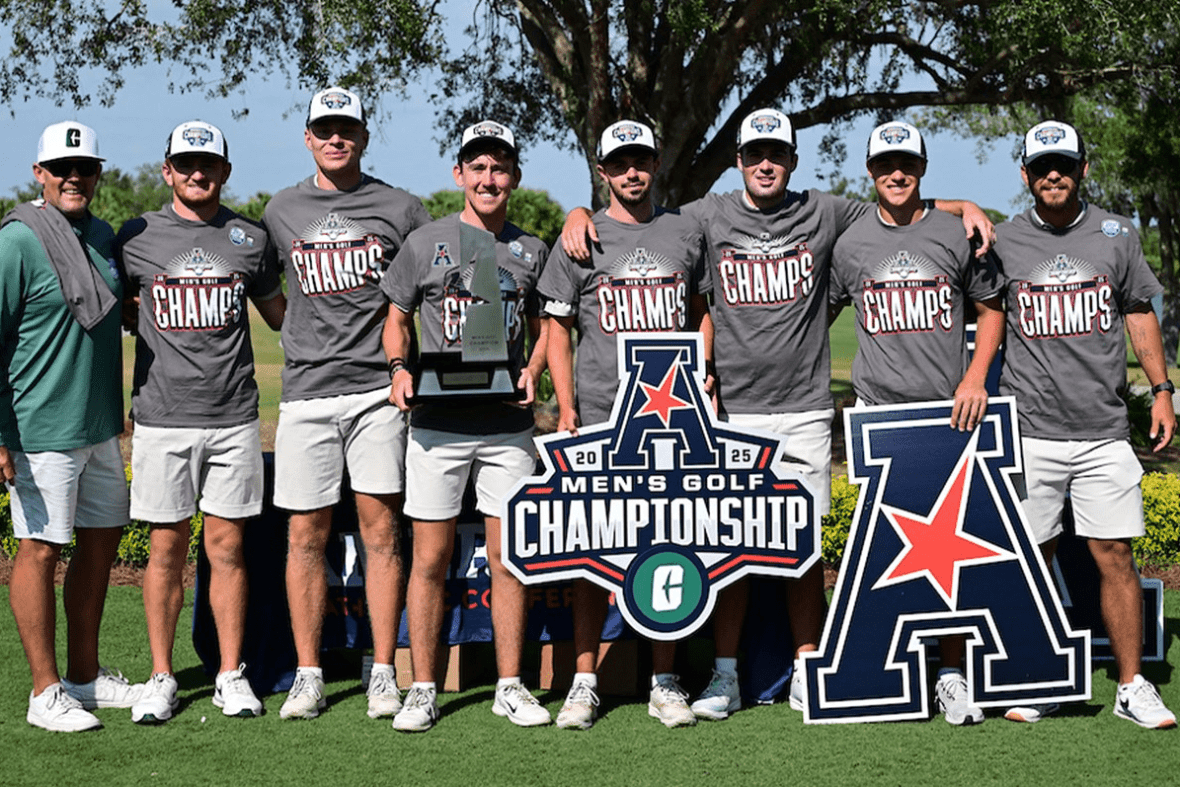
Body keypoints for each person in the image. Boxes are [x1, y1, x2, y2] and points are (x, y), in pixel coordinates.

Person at [561, 109, 994, 719]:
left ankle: (804, 669)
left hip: (807, 408)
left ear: (793, 161)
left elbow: (898, 198)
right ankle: (728, 674)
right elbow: (637, 220)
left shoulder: (826, 210)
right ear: (739, 160)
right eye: (755, 153)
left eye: (778, 154)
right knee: (733, 550)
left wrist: (964, 204)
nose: (766, 163)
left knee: (803, 549)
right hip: (731, 409)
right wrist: (577, 213)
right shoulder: (705, 214)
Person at [994, 120, 1176, 729]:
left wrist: (1162, 390)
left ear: (1082, 170)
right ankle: (1043, 678)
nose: (1053, 174)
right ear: (1025, 175)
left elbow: (1138, 314)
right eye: (1042, 165)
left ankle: (1131, 684)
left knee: (1114, 555)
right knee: (1031, 559)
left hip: (1101, 430)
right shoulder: (1001, 239)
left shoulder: (1116, 235)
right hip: (1029, 431)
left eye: (1064, 165)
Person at [262, 87, 431, 720]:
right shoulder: (280, 210)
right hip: (306, 392)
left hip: (377, 393)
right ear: (308, 137)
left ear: (364, 136)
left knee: (381, 532)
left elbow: (426, 289)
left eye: (347, 129)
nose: (336, 138)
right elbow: (262, 289)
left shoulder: (401, 207)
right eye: (324, 129)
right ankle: (309, 673)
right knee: (306, 536)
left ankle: (383, 669)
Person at [829, 120, 1005, 725]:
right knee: (885, 552)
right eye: (885, 165)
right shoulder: (849, 243)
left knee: (948, 553)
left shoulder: (956, 232)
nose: (896, 173)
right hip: (877, 418)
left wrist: (976, 377)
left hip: (947, 415)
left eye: (906, 163)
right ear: (870, 173)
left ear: (923, 168)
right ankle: (895, 667)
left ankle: (952, 674)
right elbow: (814, 316)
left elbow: (990, 310)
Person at [116, 120, 286, 723]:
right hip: (162, 418)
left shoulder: (249, 237)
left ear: (225, 172)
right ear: (167, 171)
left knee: (227, 547)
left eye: (207, 164)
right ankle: (161, 676)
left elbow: (281, 318)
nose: (196, 173)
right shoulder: (133, 236)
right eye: (185, 164)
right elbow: (114, 309)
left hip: (234, 415)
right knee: (164, 550)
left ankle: (229, 673)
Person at [541, 120, 709, 729]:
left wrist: (704, 366)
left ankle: (665, 680)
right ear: (603, 170)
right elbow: (556, 328)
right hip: (602, 414)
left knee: (670, 547)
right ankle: (584, 682)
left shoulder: (686, 229)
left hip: (672, 422)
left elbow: (701, 310)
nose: (631, 172)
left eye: (641, 161)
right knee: (591, 549)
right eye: (620, 163)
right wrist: (565, 406)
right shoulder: (581, 237)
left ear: (655, 164)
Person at [383, 120, 550, 732]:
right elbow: (396, 319)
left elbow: (546, 327)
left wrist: (534, 368)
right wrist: (400, 369)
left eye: (499, 167)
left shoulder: (531, 249)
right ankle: (423, 688)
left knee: (509, 558)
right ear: (459, 174)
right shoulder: (425, 242)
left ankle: (510, 684)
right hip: (437, 422)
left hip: (506, 424)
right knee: (430, 556)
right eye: (476, 167)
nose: (488, 178)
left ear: (514, 178)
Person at [1, 121, 144, 731]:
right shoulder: (17, 240)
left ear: (98, 174)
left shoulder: (104, 235)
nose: (73, 177)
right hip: (40, 428)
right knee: (40, 549)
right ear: (40, 174)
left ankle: (83, 679)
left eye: (84, 167)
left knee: (99, 547)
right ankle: (44, 691)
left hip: (99, 427)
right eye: (61, 168)